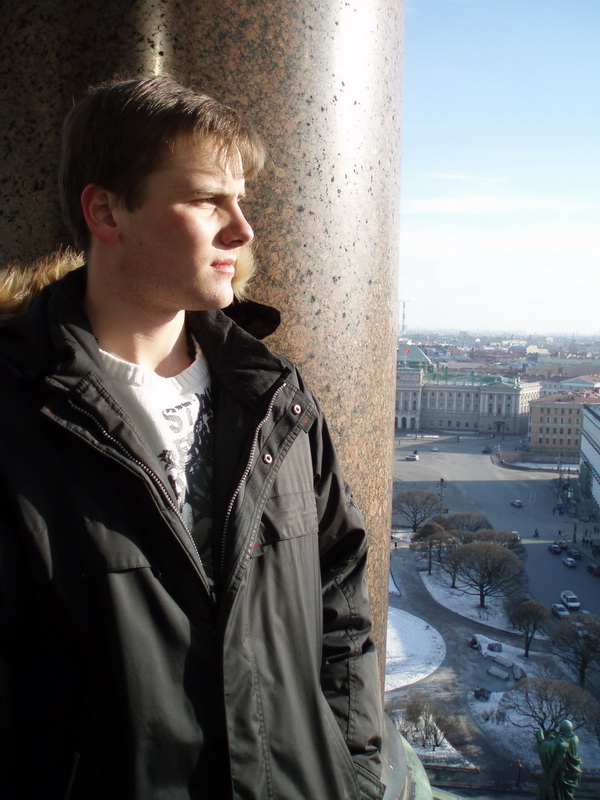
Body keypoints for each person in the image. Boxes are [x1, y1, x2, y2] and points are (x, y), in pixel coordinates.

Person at [0, 75, 385, 800]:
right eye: (209, 200)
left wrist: (355, 773)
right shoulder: (18, 412)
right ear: (105, 210)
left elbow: (341, 605)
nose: (242, 230)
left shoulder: (275, 398)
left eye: (241, 200)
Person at [535, 721, 582, 800]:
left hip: (561, 773)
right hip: (571, 773)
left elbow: (545, 748)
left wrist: (540, 739)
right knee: (567, 793)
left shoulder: (560, 742)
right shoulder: (575, 739)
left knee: (558, 792)